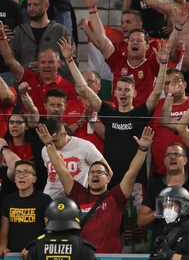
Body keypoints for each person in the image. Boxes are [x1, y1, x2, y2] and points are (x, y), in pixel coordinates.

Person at [62, 35, 167, 188]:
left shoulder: (141, 112)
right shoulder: (108, 111)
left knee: (135, 213)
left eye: (127, 90)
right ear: (115, 93)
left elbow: (157, 91)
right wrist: (70, 60)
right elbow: (84, 88)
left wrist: (163, 64)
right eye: (120, 90)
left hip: (135, 181)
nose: (123, 93)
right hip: (110, 178)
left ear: (134, 93)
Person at [44, 123, 153, 253]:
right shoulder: (78, 193)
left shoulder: (116, 197)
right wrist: (49, 145)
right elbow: (62, 170)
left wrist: (142, 149)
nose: (95, 175)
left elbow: (131, 173)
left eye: (100, 172)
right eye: (91, 172)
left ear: (108, 178)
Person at [139, 143, 189, 245]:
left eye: (177, 154)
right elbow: (141, 221)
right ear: (164, 161)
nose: (172, 157)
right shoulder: (155, 185)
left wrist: (184, 213)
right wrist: (159, 211)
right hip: (161, 243)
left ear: (185, 160)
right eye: (169, 155)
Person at [0, 29, 77, 115]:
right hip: (29, 127)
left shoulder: (68, 86)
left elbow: (71, 116)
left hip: (56, 127)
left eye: (51, 62)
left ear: (58, 63)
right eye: (43, 62)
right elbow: (10, 61)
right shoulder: (28, 78)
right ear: (38, 64)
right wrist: (2, 38)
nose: (46, 66)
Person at [7, 0, 71, 75]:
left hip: (53, 85)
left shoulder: (60, 31)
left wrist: (46, 66)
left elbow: (71, 61)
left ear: (46, 6)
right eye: (29, 5)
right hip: (25, 84)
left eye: (36, 5)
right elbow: (10, 60)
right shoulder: (19, 32)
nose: (31, 8)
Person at [0, 159, 51, 256]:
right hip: (12, 255)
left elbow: (50, 231)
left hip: (36, 254)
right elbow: (4, 230)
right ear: (14, 178)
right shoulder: (8, 199)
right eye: (18, 173)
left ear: (34, 179)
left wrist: (36, 247)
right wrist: (2, 246)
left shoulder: (44, 200)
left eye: (26, 172)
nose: (21, 175)